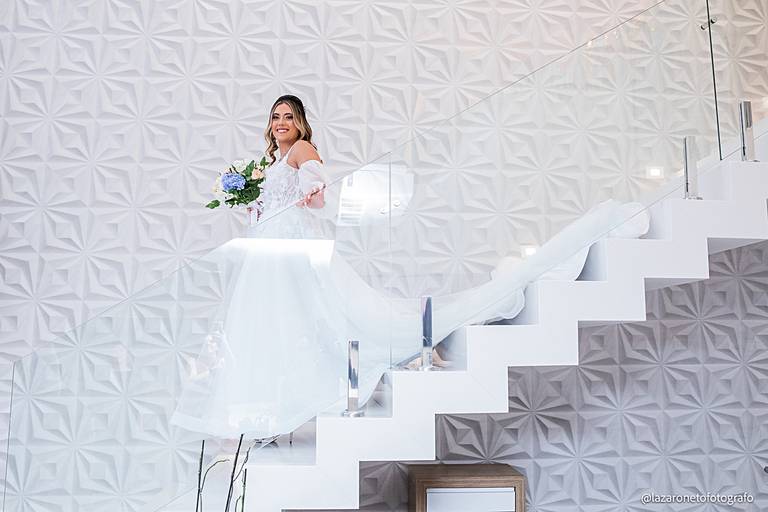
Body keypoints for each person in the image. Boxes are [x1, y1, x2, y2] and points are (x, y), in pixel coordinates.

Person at [170, 95, 651, 441]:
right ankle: (273, 414)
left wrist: (305, 193)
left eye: (288, 117)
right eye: (275, 117)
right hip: (269, 250)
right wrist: (254, 202)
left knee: (318, 315)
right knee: (277, 324)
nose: (281, 123)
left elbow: (317, 199)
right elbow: (273, 202)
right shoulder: (271, 160)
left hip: (291, 249)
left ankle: (341, 379)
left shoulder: (301, 152)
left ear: (301, 124)